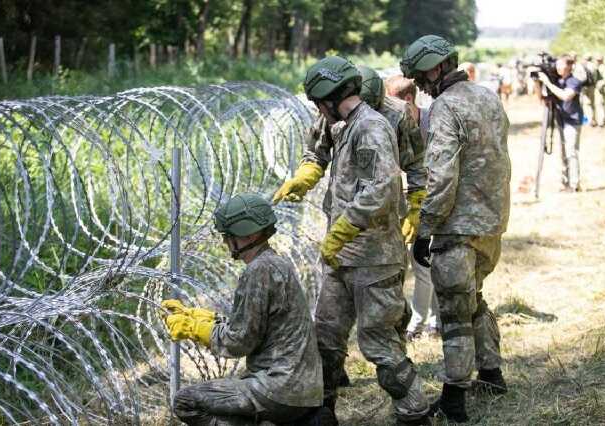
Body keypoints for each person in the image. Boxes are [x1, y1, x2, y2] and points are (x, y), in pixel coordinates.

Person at [273, 56, 431, 426]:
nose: (317, 110)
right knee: (325, 337)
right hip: (342, 256)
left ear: (329, 97)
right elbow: (319, 152)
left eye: (317, 102)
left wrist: (344, 228)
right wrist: (306, 176)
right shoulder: (342, 123)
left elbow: (381, 188)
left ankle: (414, 414)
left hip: (375, 257)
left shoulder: (373, 126)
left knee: (380, 344)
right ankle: (320, 411)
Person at [400, 35, 511, 422]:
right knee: (474, 299)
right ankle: (492, 373)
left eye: (420, 78)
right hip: (492, 223)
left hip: (457, 227)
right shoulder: (488, 96)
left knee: (454, 314)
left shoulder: (446, 107)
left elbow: (442, 177)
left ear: (436, 68)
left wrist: (426, 228)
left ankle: (454, 399)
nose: (421, 88)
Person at [163, 193, 324, 426]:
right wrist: (203, 317)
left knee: (186, 401)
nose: (225, 242)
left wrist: (195, 329)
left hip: (280, 388)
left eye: (228, 236)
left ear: (249, 233)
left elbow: (239, 341)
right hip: (302, 388)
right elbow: (253, 325)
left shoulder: (259, 270)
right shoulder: (274, 263)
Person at [385, 74, 441, 340]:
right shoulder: (397, 126)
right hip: (411, 204)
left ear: (408, 99)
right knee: (421, 263)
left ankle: (422, 323)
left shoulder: (434, 123)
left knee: (424, 262)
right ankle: (430, 319)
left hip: (436, 202)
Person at [538, 55, 584, 192]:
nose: (557, 67)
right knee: (563, 153)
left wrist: (548, 83)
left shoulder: (574, 81)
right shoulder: (558, 81)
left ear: (569, 66)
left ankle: (575, 184)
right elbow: (542, 98)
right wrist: (539, 82)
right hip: (561, 119)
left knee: (571, 152)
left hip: (572, 120)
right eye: (556, 65)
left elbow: (565, 96)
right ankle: (565, 182)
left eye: (561, 65)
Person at [579, 54, 598, 126]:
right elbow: (595, 77)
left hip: (583, 87)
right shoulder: (593, 66)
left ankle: (584, 120)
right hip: (591, 87)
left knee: (582, 104)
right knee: (591, 103)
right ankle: (592, 120)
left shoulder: (581, 65)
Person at [595, 54, 605, 127]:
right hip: (601, 88)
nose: (597, 61)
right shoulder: (601, 67)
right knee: (600, 104)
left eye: (598, 60)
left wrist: (599, 85)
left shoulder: (603, 67)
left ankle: (601, 122)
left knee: (600, 104)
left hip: (601, 89)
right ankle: (602, 120)